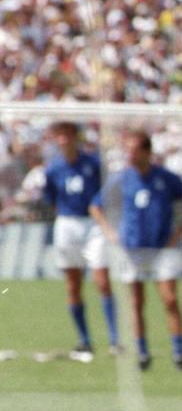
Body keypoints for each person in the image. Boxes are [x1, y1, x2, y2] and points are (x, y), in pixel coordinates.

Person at [90, 130, 182, 371]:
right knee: (136, 302)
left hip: (162, 248)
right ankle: (142, 353)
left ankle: (179, 354)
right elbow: (96, 207)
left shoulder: (166, 178)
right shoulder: (121, 178)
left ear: (147, 152)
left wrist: (178, 232)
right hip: (132, 249)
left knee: (170, 299)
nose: (130, 154)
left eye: (134, 149)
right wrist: (111, 232)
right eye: (128, 150)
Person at [42, 122, 119, 358]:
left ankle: (115, 340)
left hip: (93, 224)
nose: (64, 140)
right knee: (73, 285)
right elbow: (51, 198)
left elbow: (107, 191)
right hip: (67, 223)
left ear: (76, 137)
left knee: (102, 281)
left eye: (67, 135)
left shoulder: (93, 164)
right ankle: (84, 340)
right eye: (60, 136)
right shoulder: (53, 169)